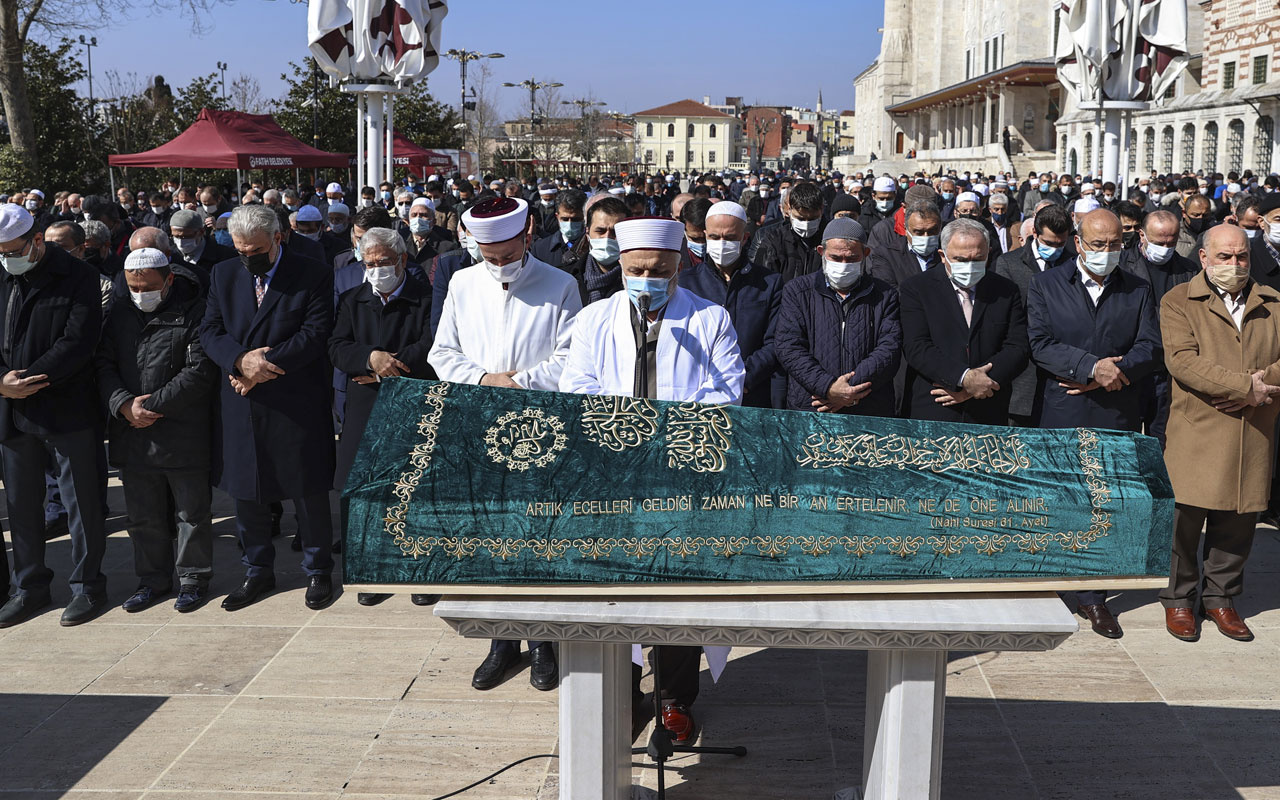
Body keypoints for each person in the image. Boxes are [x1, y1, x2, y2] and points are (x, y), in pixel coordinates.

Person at [559, 215, 743, 745]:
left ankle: (674, 700)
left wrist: (668, 438)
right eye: (636, 269)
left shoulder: (710, 319)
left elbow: (726, 390)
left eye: (657, 270)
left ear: (679, 266)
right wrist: (626, 435)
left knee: (676, 589)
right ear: (621, 266)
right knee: (613, 586)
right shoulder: (594, 319)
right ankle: (621, 692)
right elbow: (578, 386)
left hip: (683, 473)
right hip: (614, 473)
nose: (646, 279)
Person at [429, 196, 581, 693]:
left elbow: (571, 358)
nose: (496, 265)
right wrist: (483, 380)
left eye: (505, 254)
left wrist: (524, 383)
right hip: (479, 423)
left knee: (536, 535)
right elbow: (442, 351)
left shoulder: (561, 284)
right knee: (490, 535)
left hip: (539, 426)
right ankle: (500, 641)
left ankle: (543, 642)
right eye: (487, 256)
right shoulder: (462, 282)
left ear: (528, 233)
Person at [1026, 208, 1162, 639]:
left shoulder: (1138, 289)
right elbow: (1041, 344)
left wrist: (1113, 374)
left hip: (1117, 408)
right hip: (1064, 407)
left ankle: (1094, 597)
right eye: (1098, 244)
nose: (1107, 252)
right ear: (1078, 243)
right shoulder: (1046, 284)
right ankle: (1050, 584)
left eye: (1115, 245)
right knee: (1060, 498)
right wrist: (1090, 368)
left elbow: (1151, 345)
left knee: (1106, 505)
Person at [198, 205, 337, 612]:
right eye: (241, 250)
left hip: (294, 398)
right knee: (248, 491)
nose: (248, 257)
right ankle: (257, 569)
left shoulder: (311, 273)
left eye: (256, 249)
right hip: (242, 397)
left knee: (307, 490)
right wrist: (240, 362)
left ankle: (318, 570)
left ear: (278, 238)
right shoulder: (224, 274)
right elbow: (209, 330)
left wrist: (262, 367)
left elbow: (315, 334)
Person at [1159, 224, 1280, 642]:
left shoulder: (1272, 303)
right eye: (1225, 257)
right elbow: (1183, 362)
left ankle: (1220, 599)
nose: (1235, 265)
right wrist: (1245, 387)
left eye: (1242, 256)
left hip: (1254, 430)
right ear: (1204, 258)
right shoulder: (1179, 301)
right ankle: (1178, 599)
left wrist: (1261, 390)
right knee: (1185, 523)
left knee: (1239, 521)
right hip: (1201, 428)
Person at [0, 205, 107, 627]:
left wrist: (27, 378)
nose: (8, 257)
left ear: (37, 241)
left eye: (13, 250)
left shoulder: (77, 276)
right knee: (21, 503)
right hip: (11, 406)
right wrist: (2, 384)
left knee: (81, 500)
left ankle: (87, 586)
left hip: (65, 403)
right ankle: (29, 587)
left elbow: (78, 341)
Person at [96, 248, 219, 613]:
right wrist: (122, 404)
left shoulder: (195, 311)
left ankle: (193, 580)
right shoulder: (119, 312)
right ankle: (151, 580)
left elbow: (198, 371)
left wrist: (150, 406)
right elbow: (102, 364)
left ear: (168, 281)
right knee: (143, 516)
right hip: (131, 431)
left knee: (190, 514)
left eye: (148, 286)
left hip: (182, 430)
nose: (140, 293)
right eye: (133, 287)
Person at [328, 228, 437, 608]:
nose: (376, 270)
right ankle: (375, 568)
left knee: (416, 484)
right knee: (369, 489)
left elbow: (431, 343)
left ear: (402, 260)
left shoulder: (426, 298)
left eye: (383, 263)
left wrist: (388, 368)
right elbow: (337, 346)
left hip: (413, 396)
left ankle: (421, 567)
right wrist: (369, 358)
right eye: (369, 264)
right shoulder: (352, 299)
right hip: (365, 404)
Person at [898, 218, 1028, 424]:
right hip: (936, 406)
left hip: (989, 406)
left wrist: (978, 384)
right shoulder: (917, 289)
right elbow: (916, 347)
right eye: (960, 259)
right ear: (943, 256)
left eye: (978, 259)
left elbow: (1017, 347)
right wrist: (963, 377)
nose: (969, 266)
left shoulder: (1005, 291)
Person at [775, 218, 901, 417]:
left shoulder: (885, 295)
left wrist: (848, 392)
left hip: (868, 408)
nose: (843, 265)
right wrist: (827, 388)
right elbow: (788, 346)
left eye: (851, 258)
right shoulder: (798, 291)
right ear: (821, 252)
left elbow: (889, 349)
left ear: (865, 254)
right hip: (813, 407)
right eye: (835, 257)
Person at [678, 200, 782, 408]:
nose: (722, 243)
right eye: (715, 237)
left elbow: (775, 341)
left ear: (744, 238)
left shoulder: (769, 283)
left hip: (753, 395)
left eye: (730, 237)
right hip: (699, 395)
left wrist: (741, 377)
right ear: (706, 235)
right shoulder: (686, 282)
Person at [993, 204, 1075, 426]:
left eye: (1061, 243)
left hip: (1063, 371)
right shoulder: (1009, 264)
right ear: (1035, 234)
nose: (1056, 248)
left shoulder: (1074, 263)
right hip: (1023, 375)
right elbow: (1006, 318)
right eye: (1049, 243)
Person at [753, 181, 825, 281]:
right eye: (800, 218)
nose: (806, 224)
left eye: (812, 218)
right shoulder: (773, 240)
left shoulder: (831, 239)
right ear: (789, 210)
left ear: (821, 210)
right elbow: (763, 281)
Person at [169, 209, 233, 286]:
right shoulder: (170, 257)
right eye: (176, 236)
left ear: (201, 232)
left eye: (186, 237)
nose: (181, 242)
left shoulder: (224, 256)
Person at [530, 188, 588, 272]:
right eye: (565, 219)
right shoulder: (540, 249)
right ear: (557, 216)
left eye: (576, 219)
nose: (570, 223)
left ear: (584, 217)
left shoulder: (594, 248)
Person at [404, 198, 457, 268]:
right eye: (414, 215)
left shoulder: (447, 248)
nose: (418, 219)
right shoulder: (400, 245)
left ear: (434, 221)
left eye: (424, 215)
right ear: (409, 220)